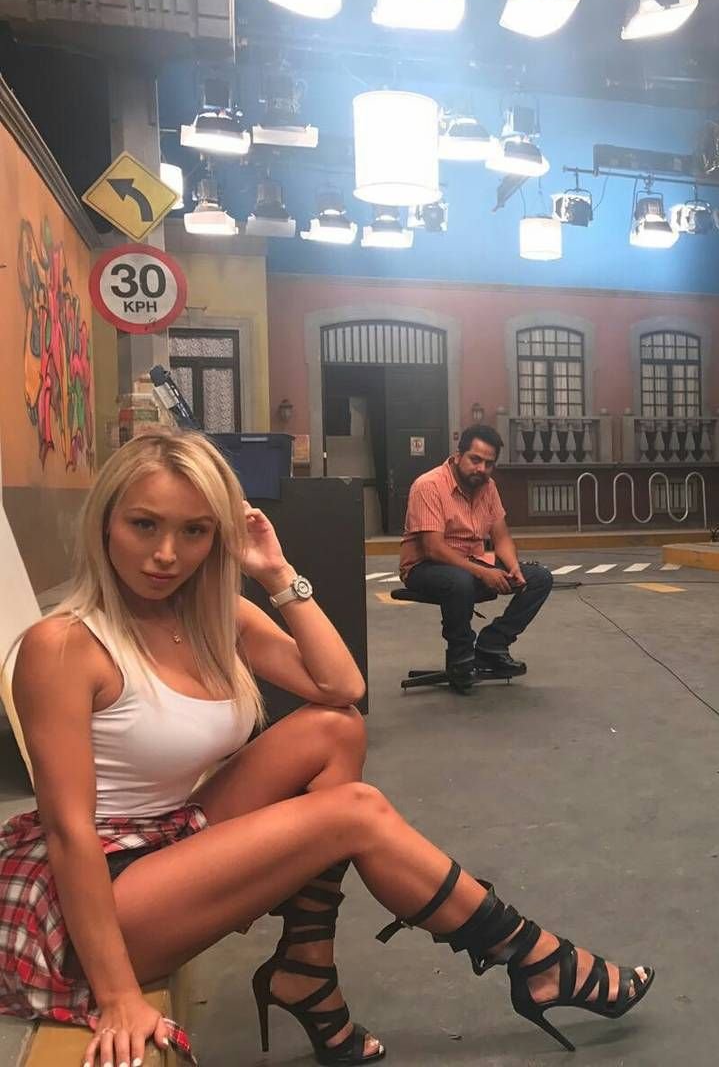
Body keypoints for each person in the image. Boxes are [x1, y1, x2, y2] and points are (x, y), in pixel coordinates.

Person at [0, 427, 652, 1067]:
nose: (166, 554)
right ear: (105, 522)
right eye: (144, 525)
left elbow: (343, 687)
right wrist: (119, 997)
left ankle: (307, 968)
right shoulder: (63, 647)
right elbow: (68, 833)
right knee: (353, 813)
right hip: (90, 900)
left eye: (194, 531)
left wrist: (277, 573)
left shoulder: (212, 618)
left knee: (334, 729)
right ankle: (534, 957)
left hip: (167, 837)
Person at [399, 424, 553, 693]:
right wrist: (482, 573)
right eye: (475, 459)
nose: (481, 469)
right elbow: (433, 549)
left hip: (471, 564)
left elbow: (501, 538)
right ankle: (461, 658)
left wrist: (513, 567)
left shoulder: (488, 487)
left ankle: (492, 645)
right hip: (424, 567)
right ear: (458, 455)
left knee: (539, 578)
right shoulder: (429, 485)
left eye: (489, 464)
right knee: (460, 580)